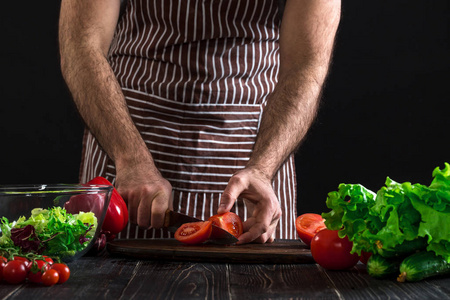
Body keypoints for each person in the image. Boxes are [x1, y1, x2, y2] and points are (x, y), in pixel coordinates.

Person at [58, 0, 341, 244]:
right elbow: (82, 44)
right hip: (126, 135)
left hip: (253, 146)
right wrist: (130, 159)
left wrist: (264, 168)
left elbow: (306, 65)